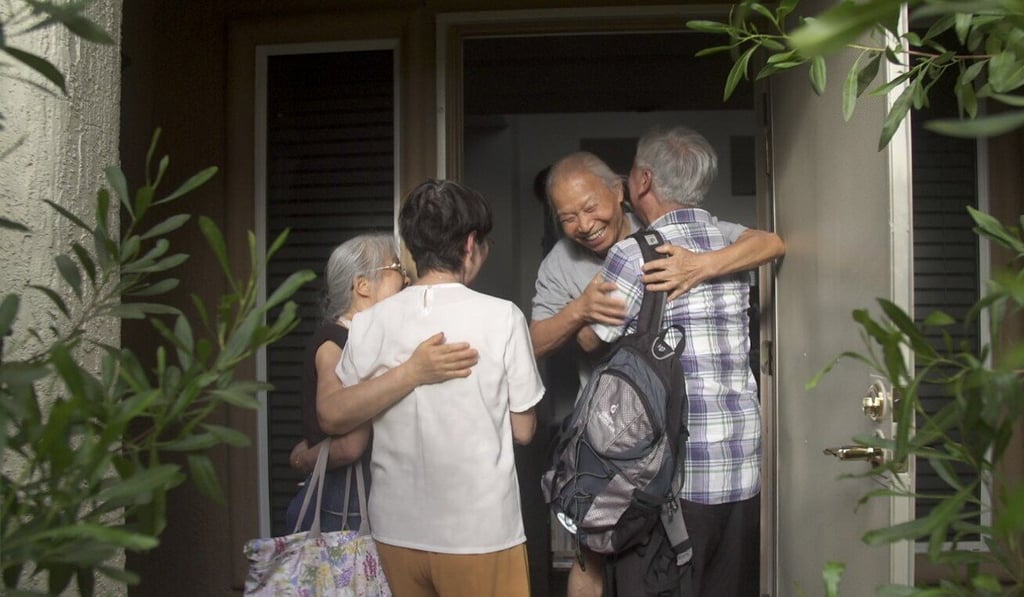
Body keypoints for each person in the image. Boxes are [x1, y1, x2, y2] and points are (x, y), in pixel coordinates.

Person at [531, 151, 784, 597]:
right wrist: (578, 312)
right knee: (590, 558)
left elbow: (769, 243)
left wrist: (700, 265)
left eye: (591, 208)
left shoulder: (676, 235)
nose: (583, 225)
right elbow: (533, 342)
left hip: (670, 442)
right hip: (603, 439)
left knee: (655, 568)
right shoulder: (560, 262)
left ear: (621, 190)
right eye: (568, 217)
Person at [335, 179, 545, 597]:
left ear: (411, 248)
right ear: (471, 244)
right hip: (479, 532)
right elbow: (524, 430)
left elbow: (342, 412)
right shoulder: (502, 317)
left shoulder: (369, 322)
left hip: (394, 528)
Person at [285, 233, 479, 532]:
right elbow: (347, 440)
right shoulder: (335, 342)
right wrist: (303, 459)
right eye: (397, 269)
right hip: (343, 503)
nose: (407, 279)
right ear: (363, 286)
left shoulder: (375, 336)